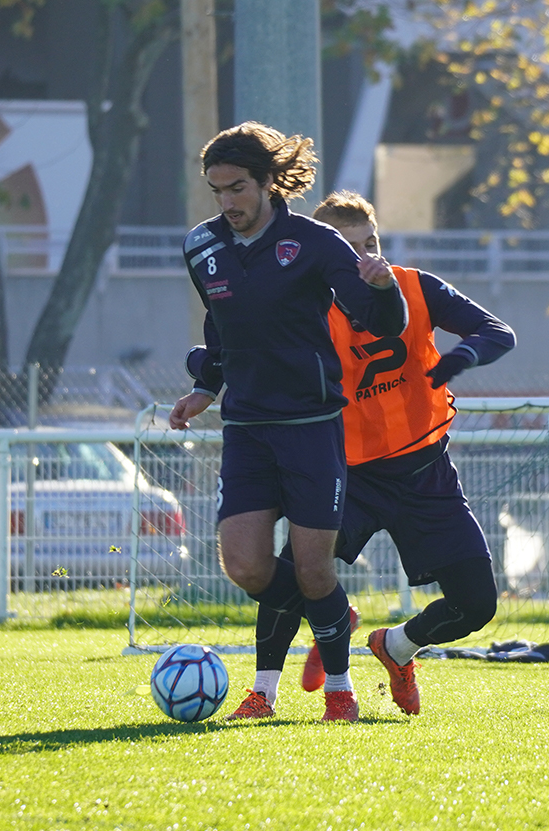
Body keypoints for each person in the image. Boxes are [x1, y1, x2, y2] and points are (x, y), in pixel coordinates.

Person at [192, 190, 515, 716]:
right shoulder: (300, 307)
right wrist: (206, 383)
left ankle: (396, 647)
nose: (366, 260)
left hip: (425, 470)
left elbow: (497, 331)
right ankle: (262, 692)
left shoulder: (412, 286)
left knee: (476, 604)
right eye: (351, 249)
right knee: (298, 571)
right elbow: (233, 345)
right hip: (345, 471)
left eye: (372, 244)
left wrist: (459, 360)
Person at [169, 123, 406, 722]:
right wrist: (205, 387)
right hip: (246, 428)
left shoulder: (318, 243)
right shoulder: (202, 246)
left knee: (312, 566)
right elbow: (220, 327)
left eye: (239, 187)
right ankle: (331, 616)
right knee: (245, 565)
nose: (228, 201)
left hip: (312, 424)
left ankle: (337, 689)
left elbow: (381, 323)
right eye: (217, 189)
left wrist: (384, 292)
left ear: (271, 183)